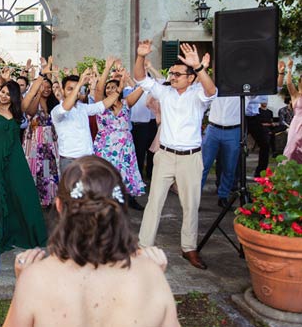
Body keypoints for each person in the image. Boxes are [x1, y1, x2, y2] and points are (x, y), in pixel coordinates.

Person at [2, 155, 179, 326]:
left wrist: (22, 284)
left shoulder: (35, 279)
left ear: (59, 206)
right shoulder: (150, 275)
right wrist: (153, 278)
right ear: (121, 207)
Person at [136, 41, 216, 270]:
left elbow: (211, 90)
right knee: (154, 203)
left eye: (178, 74)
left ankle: (189, 248)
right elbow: (141, 78)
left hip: (191, 157)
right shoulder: (165, 92)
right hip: (165, 156)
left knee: (191, 204)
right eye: (171, 73)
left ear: (190, 78)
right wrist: (141, 57)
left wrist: (199, 67)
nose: (172, 77)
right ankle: (143, 246)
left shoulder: (198, 94)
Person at [0, 66, 47, 253]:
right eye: (2, 92)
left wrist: (41, 76)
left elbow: (32, 92)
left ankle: (26, 232)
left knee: (23, 193)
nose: (3, 96)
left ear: (13, 97)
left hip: (16, 159)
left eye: (8, 94)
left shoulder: (18, 111)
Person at [92, 57, 146, 210]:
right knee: (106, 174)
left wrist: (128, 78)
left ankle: (128, 200)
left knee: (125, 173)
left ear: (120, 89)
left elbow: (142, 88)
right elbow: (98, 89)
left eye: (113, 87)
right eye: (107, 88)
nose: (109, 89)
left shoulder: (126, 103)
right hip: (105, 146)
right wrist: (107, 67)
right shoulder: (100, 105)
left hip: (125, 147)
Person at [51, 69, 120, 174]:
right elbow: (65, 107)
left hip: (88, 159)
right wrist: (79, 84)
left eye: (77, 89)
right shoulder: (57, 111)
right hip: (70, 161)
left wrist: (120, 88)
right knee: (71, 191)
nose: (74, 92)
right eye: (70, 89)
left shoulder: (82, 108)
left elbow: (103, 105)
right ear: (62, 90)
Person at [21, 63, 60, 207]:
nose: (46, 89)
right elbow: (30, 112)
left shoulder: (54, 103)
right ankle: (34, 198)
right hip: (34, 141)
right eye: (43, 86)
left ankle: (47, 198)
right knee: (33, 167)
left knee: (47, 169)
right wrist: (37, 93)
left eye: (48, 87)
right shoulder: (33, 100)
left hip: (49, 142)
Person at [200, 96, 242, 208]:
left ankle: (223, 196)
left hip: (233, 130)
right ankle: (194, 198)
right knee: (203, 166)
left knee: (230, 167)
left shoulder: (242, 88)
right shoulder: (215, 87)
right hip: (213, 129)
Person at [283, 58, 302, 163]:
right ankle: (285, 175)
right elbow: (289, 84)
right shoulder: (296, 95)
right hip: (297, 126)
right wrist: (289, 69)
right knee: (292, 150)